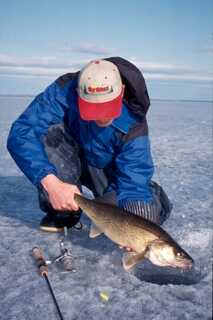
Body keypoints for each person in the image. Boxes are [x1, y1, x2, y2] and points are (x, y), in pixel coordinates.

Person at [7, 57, 172, 233]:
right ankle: (65, 212)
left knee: (142, 218)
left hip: (105, 168)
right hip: (69, 155)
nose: (101, 117)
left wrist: (133, 222)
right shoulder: (63, 91)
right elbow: (22, 132)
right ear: (79, 92)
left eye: (107, 108)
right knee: (46, 133)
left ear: (121, 91)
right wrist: (51, 183)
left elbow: (134, 178)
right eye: (93, 108)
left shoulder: (133, 122)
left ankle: (155, 197)